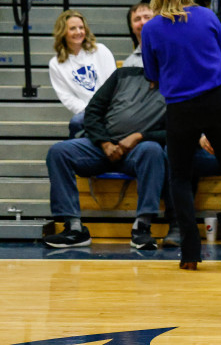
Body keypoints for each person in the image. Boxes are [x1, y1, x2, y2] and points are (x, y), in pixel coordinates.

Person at [140, 0, 221, 270]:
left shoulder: (150, 28)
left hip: (180, 106)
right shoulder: (207, 16)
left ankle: (190, 252)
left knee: (179, 175)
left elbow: (151, 73)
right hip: (218, 98)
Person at [40, 63, 167, 250]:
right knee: (59, 152)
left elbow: (177, 130)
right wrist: (104, 142)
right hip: (100, 148)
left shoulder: (178, 87)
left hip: (138, 151)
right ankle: (74, 228)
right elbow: (92, 111)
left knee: (153, 151)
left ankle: (142, 227)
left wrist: (140, 136)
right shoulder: (123, 75)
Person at [48, 9, 117, 137]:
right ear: (63, 32)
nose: (79, 32)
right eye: (72, 28)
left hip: (111, 106)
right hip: (86, 111)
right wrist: (90, 111)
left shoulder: (100, 50)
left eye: (81, 27)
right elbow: (67, 97)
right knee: (75, 123)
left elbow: (114, 83)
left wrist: (104, 108)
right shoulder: (56, 64)